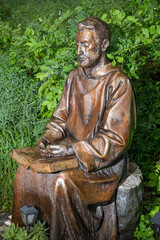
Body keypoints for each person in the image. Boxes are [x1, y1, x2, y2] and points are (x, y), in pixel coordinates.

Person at [13, 17, 136, 240]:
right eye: (77, 44)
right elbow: (60, 118)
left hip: (101, 166)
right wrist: (48, 138)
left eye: (86, 45)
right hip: (70, 155)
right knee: (25, 173)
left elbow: (116, 139)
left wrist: (71, 150)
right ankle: (25, 235)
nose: (79, 51)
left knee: (61, 183)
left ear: (104, 45)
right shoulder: (73, 78)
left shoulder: (118, 83)